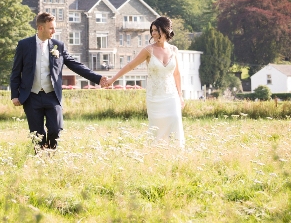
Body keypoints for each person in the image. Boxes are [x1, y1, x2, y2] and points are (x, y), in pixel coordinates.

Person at [11, 12, 108, 151]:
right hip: (31, 97)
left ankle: (50, 155)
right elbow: (15, 72)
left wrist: (98, 78)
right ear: (40, 28)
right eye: (51, 28)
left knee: (55, 130)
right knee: (37, 134)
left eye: (54, 28)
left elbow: (75, 65)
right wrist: (15, 95)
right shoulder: (24, 45)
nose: (54, 31)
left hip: (52, 96)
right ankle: (41, 159)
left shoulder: (58, 46)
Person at [103, 16, 185, 147]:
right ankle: (155, 152)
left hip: (171, 96)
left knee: (175, 120)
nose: (153, 33)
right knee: (157, 127)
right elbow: (130, 65)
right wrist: (112, 79)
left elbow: (177, 74)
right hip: (155, 97)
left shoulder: (174, 50)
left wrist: (180, 96)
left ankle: (175, 151)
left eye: (156, 30)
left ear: (165, 30)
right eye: (152, 30)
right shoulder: (148, 50)